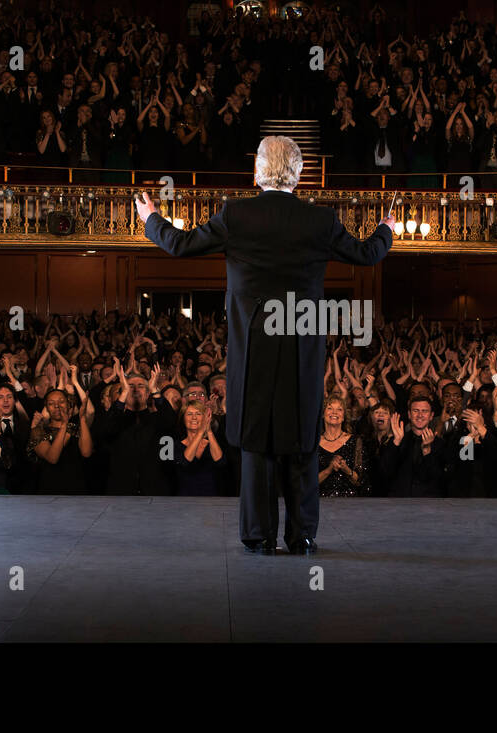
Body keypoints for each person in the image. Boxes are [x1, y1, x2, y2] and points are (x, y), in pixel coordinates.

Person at [137, 135, 394, 555]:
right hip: (301, 354)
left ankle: (258, 536)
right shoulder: (320, 221)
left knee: (257, 446)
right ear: (299, 174)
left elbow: (180, 245)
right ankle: (302, 536)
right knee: (301, 447)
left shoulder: (237, 216)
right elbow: (367, 255)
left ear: (257, 172)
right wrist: (387, 228)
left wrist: (152, 218)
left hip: (253, 353)